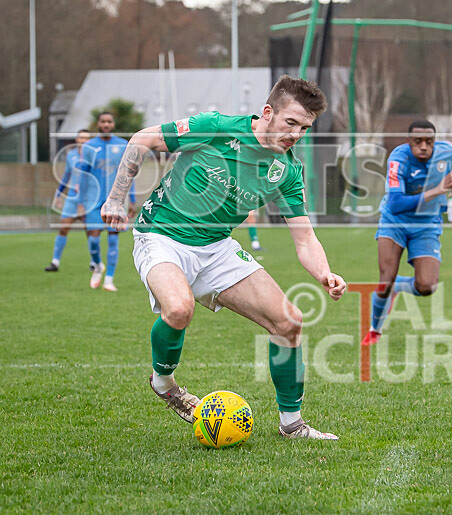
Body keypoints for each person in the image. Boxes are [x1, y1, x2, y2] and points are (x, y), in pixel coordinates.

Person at [100, 75, 346, 440]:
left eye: (305, 128)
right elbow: (142, 139)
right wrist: (116, 199)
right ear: (268, 113)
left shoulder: (287, 171)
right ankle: (164, 383)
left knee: (289, 322)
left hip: (216, 247)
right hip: (161, 236)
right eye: (291, 122)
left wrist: (325, 273)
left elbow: (305, 237)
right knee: (179, 309)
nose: (296, 134)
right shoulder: (216, 128)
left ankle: (292, 425)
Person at [361, 120, 452, 346]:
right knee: (385, 281)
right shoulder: (398, 159)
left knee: (427, 286)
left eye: (429, 141)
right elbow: (396, 203)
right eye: (418, 141)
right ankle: (375, 329)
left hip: (426, 224)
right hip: (394, 222)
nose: (424, 146)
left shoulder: (447, 151)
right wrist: (437, 190)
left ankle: (398, 286)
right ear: (409, 142)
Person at [82, 112, 136, 291]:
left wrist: (132, 200)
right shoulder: (89, 146)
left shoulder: (122, 145)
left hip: (116, 200)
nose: (106, 124)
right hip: (93, 200)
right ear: (98, 124)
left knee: (113, 240)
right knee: (93, 240)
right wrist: (80, 200)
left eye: (109, 121)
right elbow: (83, 175)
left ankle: (109, 280)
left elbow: (129, 173)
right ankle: (98, 266)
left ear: (113, 124)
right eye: (103, 121)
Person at [45, 129, 91, 272]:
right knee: (63, 228)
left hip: (88, 199)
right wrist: (58, 194)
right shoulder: (71, 155)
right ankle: (55, 262)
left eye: (86, 138)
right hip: (72, 198)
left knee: (91, 232)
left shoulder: (94, 156)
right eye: (81, 137)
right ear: (77, 139)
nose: (83, 141)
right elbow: (66, 175)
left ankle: (95, 262)